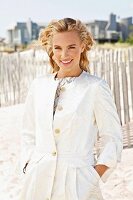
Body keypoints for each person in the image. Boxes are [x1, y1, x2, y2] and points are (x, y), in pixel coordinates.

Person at [19, 18, 123, 200]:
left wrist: (93, 177)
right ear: (51, 50)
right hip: (37, 180)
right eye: (58, 48)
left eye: (71, 47)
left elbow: (112, 137)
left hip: (78, 184)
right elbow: (28, 132)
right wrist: (29, 164)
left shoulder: (95, 87)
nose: (64, 54)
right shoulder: (38, 85)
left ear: (83, 46)